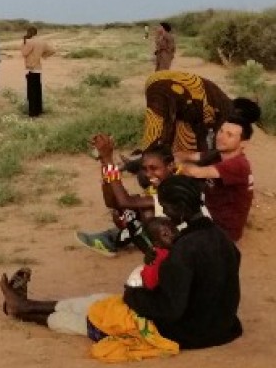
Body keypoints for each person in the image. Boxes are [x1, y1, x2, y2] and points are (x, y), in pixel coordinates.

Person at [1, 174, 243, 353]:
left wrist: (133, 295)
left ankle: (22, 311)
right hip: (221, 326)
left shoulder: (184, 250)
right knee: (99, 302)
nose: (164, 213)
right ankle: (27, 304)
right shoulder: (221, 238)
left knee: (94, 319)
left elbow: (170, 310)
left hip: (189, 333)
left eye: (166, 207)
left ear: (180, 209)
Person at [76, 137, 177, 258]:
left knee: (142, 212)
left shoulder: (176, 190)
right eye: (145, 169)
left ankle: (157, 258)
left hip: (183, 246)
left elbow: (124, 201)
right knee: (123, 214)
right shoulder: (159, 187)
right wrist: (104, 162)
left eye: (154, 168)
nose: (148, 174)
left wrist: (108, 160)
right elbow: (112, 202)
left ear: (171, 166)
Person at [173, 104, 260, 243]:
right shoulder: (221, 154)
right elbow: (194, 156)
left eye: (229, 135)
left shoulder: (238, 164)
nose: (221, 137)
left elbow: (197, 172)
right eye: (221, 131)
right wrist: (174, 155)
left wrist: (171, 165)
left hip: (223, 232)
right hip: (209, 213)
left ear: (243, 144)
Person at [137, 71, 257, 155]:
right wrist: (207, 157)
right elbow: (211, 140)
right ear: (240, 115)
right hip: (165, 86)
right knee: (156, 132)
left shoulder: (219, 98)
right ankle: (143, 165)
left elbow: (196, 128)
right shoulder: (225, 111)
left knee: (174, 135)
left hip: (157, 79)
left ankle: (139, 160)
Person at [125, 217, 178, 290]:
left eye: (173, 230)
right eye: (165, 234)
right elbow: (151, 283)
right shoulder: (160, 255)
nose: (172, 235)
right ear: (157, 243)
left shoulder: (175, 247)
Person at [20, 26, 54, 117]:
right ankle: (39, 110)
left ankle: (33, 112)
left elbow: (24, 53)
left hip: (31, 68)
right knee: (38, 91)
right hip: (38, 68)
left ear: (30, 33)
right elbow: (52, 50)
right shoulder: (42, 42)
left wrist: (24, 42)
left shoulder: (30, 42)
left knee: (31, 92)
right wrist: (43, 56)